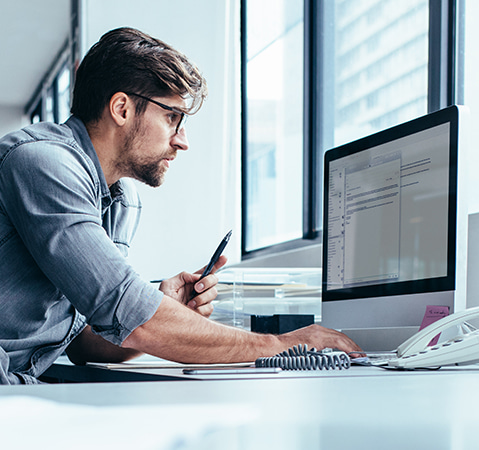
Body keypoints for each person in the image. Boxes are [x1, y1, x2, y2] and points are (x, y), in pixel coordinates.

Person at [0, 27, 361, 384]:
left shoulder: (121, 201)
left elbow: (83, 343)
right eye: (173, 117)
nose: (182, 141)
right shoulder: (43, 164)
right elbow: (126, 310)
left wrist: (165, 307)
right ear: (122, 108)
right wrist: (281, 345)